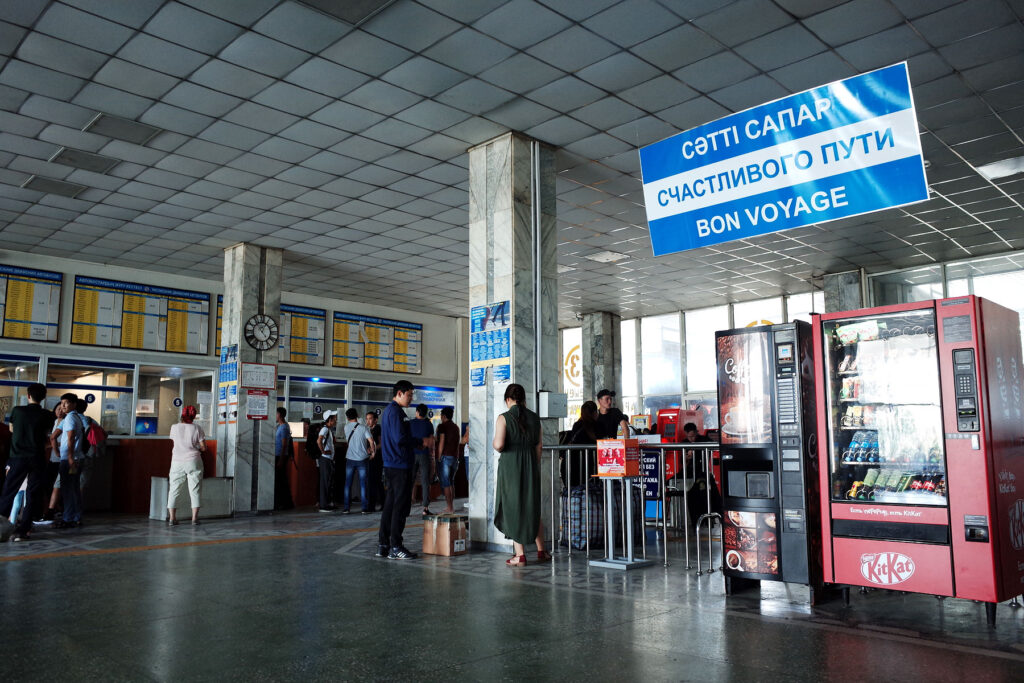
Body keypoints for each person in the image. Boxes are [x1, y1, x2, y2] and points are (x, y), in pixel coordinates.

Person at [493, 383, 550, 566]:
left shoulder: (504, 417)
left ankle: (520, 555)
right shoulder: (534, 418)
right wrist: (535, 464)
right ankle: (542, 551)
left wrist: (495, 444)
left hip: (511, 465)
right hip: (531, 463)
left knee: (514, 506)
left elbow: (499, 445)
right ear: (524, 399)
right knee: (531, 506)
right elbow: (539, 446)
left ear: (508, 399)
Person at [376, 380, 430, 560]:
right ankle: (396, 546)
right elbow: (400, 438)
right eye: (409, 394)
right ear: (399, 393)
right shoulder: (395, 412)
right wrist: (419, 443)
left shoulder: (391, 411)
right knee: (400, 507)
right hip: (399, 465)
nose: (411, 398)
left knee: (390, 506)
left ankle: (384, 544)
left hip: (393, 465)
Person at [0, 383, 53, 542]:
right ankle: (24, 530)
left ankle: (2, 525)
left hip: (18, 457)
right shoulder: (47, 415)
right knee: (32, 494)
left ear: (28, 395)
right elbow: (47, 435)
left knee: (9, 490)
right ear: (43, 397)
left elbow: (11, 429)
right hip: (37, 458)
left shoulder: (17, 410)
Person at [50, 392, 85, 529]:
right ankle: (76, 517)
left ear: (74, 404)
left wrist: (66, 456)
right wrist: (58, 451)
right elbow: (53, 437)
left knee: (68, 490)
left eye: (66, 403)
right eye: (62, 402)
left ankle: (68, 518)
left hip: (71, 459)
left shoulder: (69, 418)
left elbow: (70, 437)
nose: (63, 405)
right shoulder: (74, 417)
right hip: (75, 458)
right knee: (74, 488)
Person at [168, 405, 206, 526]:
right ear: (194, 416)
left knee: (174, 489)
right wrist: (196, 447)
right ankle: (194, 518)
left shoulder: (174, 427)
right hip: (193, 460)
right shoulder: (197, 428)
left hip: (177, 462)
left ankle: (172, 518)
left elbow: (175, 442)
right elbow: (203, 447)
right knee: (195, 490)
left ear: (182, 415)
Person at [342, 408, 375, 514]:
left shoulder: (346, 427)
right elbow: (371, 441)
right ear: (357, 415)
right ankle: (364, 508)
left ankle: (346, 508)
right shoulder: (363, 428)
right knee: (363, 484)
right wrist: (373, 452)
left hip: (350, 459)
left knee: (348, 484)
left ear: (347, 418)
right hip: (362, 459)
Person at [563, 400, 598, 489]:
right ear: (594, 413)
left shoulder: (576, 425)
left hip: (574, 466)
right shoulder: (597, 426)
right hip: (590, 466)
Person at [409, 403, 434, 515]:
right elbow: (431, 441)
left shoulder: (410, 423)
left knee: (410, 480)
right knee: (425, 481)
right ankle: (425, 508)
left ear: (417, 412)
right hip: (424, 454)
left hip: (412, 454)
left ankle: (406, 506)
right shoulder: (429, 424)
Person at [434, 406, 460, 513]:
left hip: (445, 457)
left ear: (444, 416)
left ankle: (449, 507)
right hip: (454, 457)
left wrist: (438, 456)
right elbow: (457, 443)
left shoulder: (442, 426)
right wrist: (457, 457)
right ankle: (451, 506)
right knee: (451, 482)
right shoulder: (456, 427)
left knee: (446, 483)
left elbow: (442, 441)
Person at [317, 411, 338, 512]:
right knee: (325, 482)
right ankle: (323, 505)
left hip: (328, 459)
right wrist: (323, 451)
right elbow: (319, 440)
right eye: (334, 418)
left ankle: (327, 503)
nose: (336, 420)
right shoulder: (325, 429)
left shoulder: (328, 429)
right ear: (329, 420)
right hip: (325, 459)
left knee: (328, 482)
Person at [274, 407, 293, 510]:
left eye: (276, 414)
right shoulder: (279, 426)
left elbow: (284, 444)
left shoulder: (284, 427)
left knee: (281, 481)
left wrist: (281, 459)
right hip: (277, 455)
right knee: (280, 480)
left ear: (280, 415)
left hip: (280, 456)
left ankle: (285, 503)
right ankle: (283, 502)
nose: (275, 416)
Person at [365, 411, 384, 511]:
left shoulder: (378, 429)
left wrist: (373, 449)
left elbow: (381, 443)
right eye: (367, 418)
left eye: (370, 418)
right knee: (374, 481)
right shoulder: (368, 429)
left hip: (377, 458)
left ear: (375, 419)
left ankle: (372, 505)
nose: (368, 421)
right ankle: (381, 503)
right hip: (370, 458)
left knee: (374, 481)